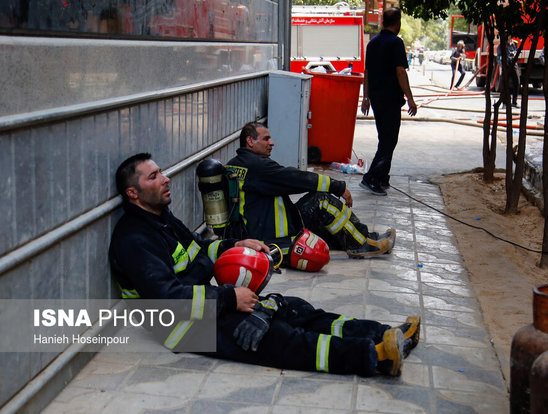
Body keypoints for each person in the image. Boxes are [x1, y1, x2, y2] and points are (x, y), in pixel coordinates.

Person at [108, 153, 420, 377]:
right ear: (133, 193)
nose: (166, 178)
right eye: (154, 176)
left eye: (161, 172)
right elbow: (168, 301)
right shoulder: (134, 239)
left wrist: (236, 244)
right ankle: (376, 357)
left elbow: (199, 247)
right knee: (276, 337)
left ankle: (383, 334)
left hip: (203, 307)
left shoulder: (160, 218)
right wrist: (231, 299)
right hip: (181, 329)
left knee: (292, 308)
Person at [225, 122, 396, 261]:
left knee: (322, 216)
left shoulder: (235, 164)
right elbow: (296, 179)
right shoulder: (258, 166)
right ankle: (362, 245)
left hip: (260, 230)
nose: (272, 142)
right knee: (322, 201)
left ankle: (365, 236)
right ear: (250, 141)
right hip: (275, 238)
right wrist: (337, 186)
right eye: (266, 139)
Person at [360, 7, 417, 196]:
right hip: (391, 99)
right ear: (398, 23)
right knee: (389, 140)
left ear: (383, 21)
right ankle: (371, 178)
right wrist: (410, 98)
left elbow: (367, 73)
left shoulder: (373, 43)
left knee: (385, 137)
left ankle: (383, 177)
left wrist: (365, 97)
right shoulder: (396, 43)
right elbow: (400, 72)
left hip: (376, 98)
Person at [497, 36, 520, 108]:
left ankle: (514, 102)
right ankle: (504, 102)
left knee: (517, 82)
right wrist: (502, 65)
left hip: (514, 65)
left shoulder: (515, 44)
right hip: (506, 66)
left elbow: (516, 53)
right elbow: (498, 57)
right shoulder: (502, 45)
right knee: (505, 84)